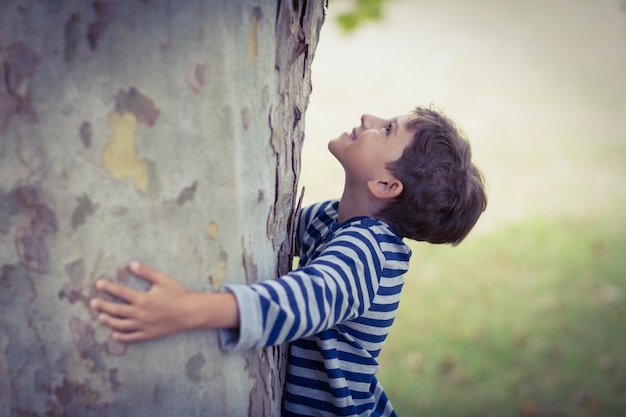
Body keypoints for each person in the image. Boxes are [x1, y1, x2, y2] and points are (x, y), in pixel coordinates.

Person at [90, 106, 487, 416]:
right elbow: (265, 231)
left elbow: (301, 301)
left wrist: (188, 310)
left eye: (386, 129)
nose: (369, 118)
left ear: (385, 185)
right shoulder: (335, 219)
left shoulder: (369, 252)